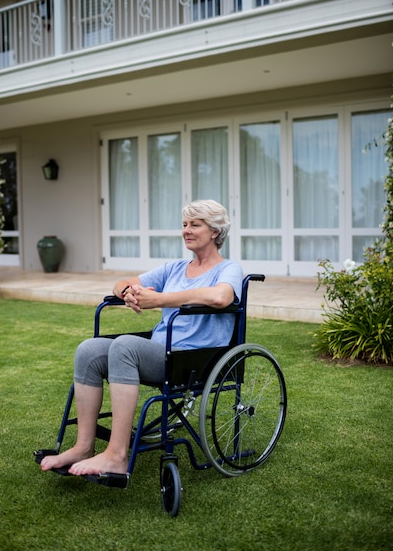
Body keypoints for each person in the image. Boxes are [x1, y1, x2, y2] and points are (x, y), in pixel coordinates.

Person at [40, 199, 243, 477]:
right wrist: (128, 293)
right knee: (89, 349)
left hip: (194, 359)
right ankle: (83, 446)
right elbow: (122, 282)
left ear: (216, 232)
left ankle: (116, 456)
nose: (186, 230)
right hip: (160, 350)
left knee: (125, 345)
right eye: (184, 224)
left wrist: (160, 299)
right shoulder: (173, 268)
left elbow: (220, 297)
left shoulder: (227, 269)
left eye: (195, 225)